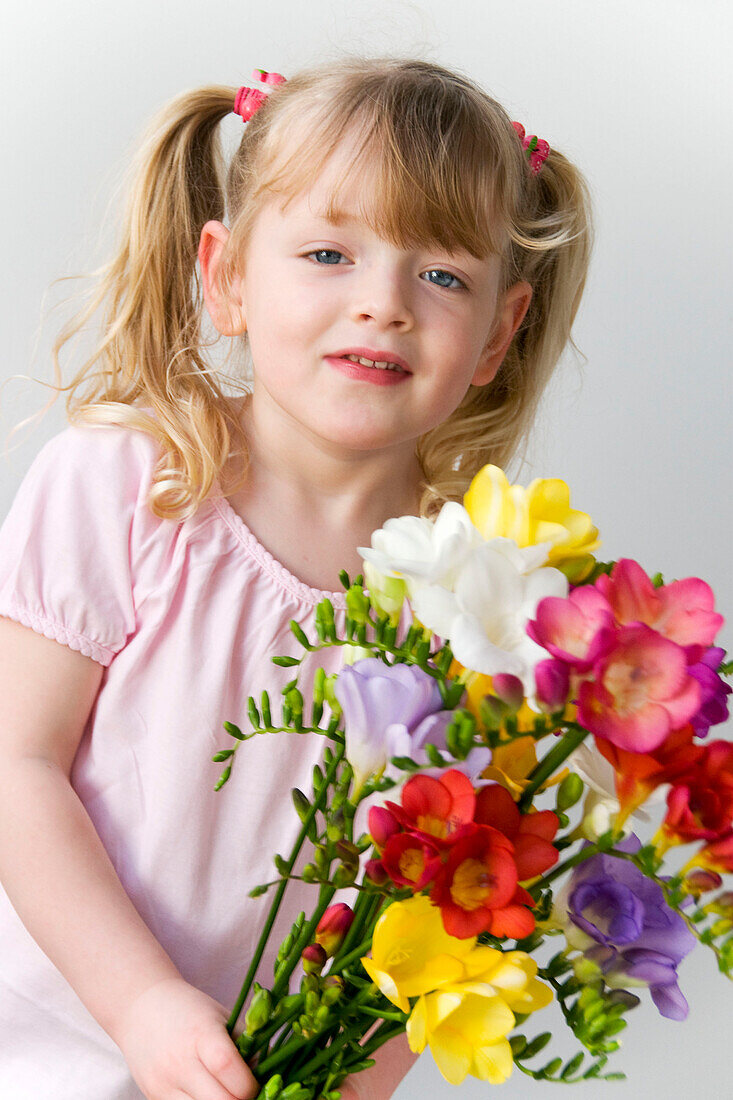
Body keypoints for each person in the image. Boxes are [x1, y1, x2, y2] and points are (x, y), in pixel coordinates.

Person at [0, 56, 592, 1099]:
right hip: (43, 1049)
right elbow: (17, 766)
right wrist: (141, 1002)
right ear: (226, 275)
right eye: (328, 251)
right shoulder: (129, 485)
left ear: (499, 329)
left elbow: (457, 903)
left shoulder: (487, 600)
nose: (384, 304)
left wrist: (356, 1078)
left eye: (443, 275)